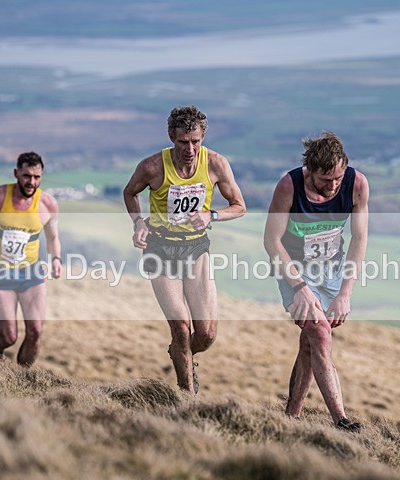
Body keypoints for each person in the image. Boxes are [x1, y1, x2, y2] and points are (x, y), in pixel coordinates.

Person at [123, 105, 246, 395]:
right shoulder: (152, 166)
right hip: (160, 248)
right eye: (182, 142)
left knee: (205, 334)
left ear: (203, 137)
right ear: (171, 137)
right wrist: (138, 223)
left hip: (196, 248)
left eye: (196, 142)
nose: (190, 149)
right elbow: (130, 192)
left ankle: (180, 352)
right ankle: (186, 397)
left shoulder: (216, 164)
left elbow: (239, 206)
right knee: (180, 327)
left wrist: (211, 215)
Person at [263, 131, 369, 431]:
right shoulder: (289, 185)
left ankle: (291, 417)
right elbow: (271, 241)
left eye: (338, 177)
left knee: (311, 343)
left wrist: (345, 293)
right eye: (325, 179)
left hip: (332, 272)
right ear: (309, 170)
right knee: (321, 334)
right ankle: (341, 421)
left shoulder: (357, 184)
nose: (333, 185)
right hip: (294, 269)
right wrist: (300, 288)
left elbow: (359, 239)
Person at [0, 151, 62, 367]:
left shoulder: (48, 204)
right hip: (1, 272)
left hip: (32, 272)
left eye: (37, 177)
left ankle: (21, 378)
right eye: (27, 176)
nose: (31, 182)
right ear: (16, 173)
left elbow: (53, 236)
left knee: (35, 332)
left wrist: (56, 258)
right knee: (8, 337)